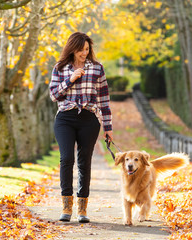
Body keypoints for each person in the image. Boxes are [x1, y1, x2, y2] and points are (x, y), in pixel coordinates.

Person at [49, 32, 113, 223]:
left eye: (87, 49)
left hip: (89, 119)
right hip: (65, 118)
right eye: (81, 49)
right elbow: (53, 96)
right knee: (66, 158)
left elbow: (104, 100)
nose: (84, 53)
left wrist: (108, 127)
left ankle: (82, 209)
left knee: (84, 162)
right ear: (72, 48)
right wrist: (71, 79)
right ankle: (66, 207)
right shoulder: (60, 68)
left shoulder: (97, 68)